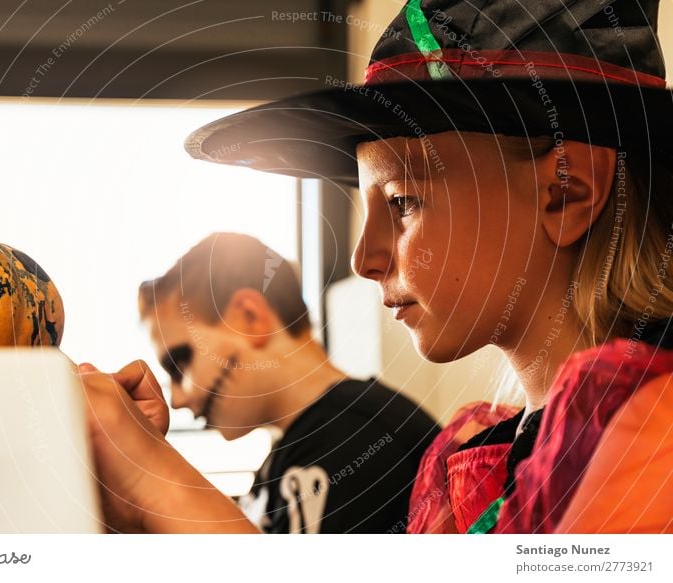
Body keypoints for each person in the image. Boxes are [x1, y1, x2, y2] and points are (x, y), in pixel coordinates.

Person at [80, 0, 673, 533]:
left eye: (402, 201)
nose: (365, 260)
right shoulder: (467, 459)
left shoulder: (650, 431)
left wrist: (153, 485)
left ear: (564, 194)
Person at [133, 232, 439, 533]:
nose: (176, 399)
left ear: (250, 317)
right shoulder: (295, 450)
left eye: (179, 364)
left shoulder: (356, 439)